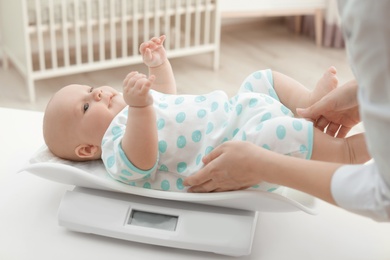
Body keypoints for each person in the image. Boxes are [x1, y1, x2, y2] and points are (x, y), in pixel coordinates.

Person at [43, 35, 370, 192]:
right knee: (276, 135)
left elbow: (167, 96)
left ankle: (309, 104)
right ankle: (350, 151)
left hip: (236, 110)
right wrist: (140, 108)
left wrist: (159, 65)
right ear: (87, 149)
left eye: (89, 88)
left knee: (261, 78)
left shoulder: (135, 109)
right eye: (86, 106)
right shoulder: (117, 147)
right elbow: (142, 161)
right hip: (239, 141)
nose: (97, 93)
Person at [184, 0, 390, 221]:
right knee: (273, 131)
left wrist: (259, 164)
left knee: (263, 80)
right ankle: (334, 138)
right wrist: (360, 90)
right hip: (231, 131)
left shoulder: (373, 16)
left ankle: (336, 140)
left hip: (233, 121)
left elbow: (383, 196)